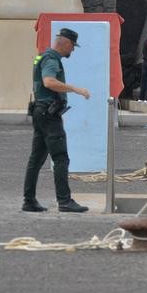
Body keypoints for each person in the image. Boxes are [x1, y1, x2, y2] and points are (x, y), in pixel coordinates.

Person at [22, 28, 91, 214]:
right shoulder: (52, 59)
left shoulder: (44, 56)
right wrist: (75, 89)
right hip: (49, 115)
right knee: (60, 158)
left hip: (40, 112)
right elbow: (49, 82)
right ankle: (64, 201)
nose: (73, 51)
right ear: (66, 43)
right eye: (72, 46)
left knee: (36, 159)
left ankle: (29, 200)